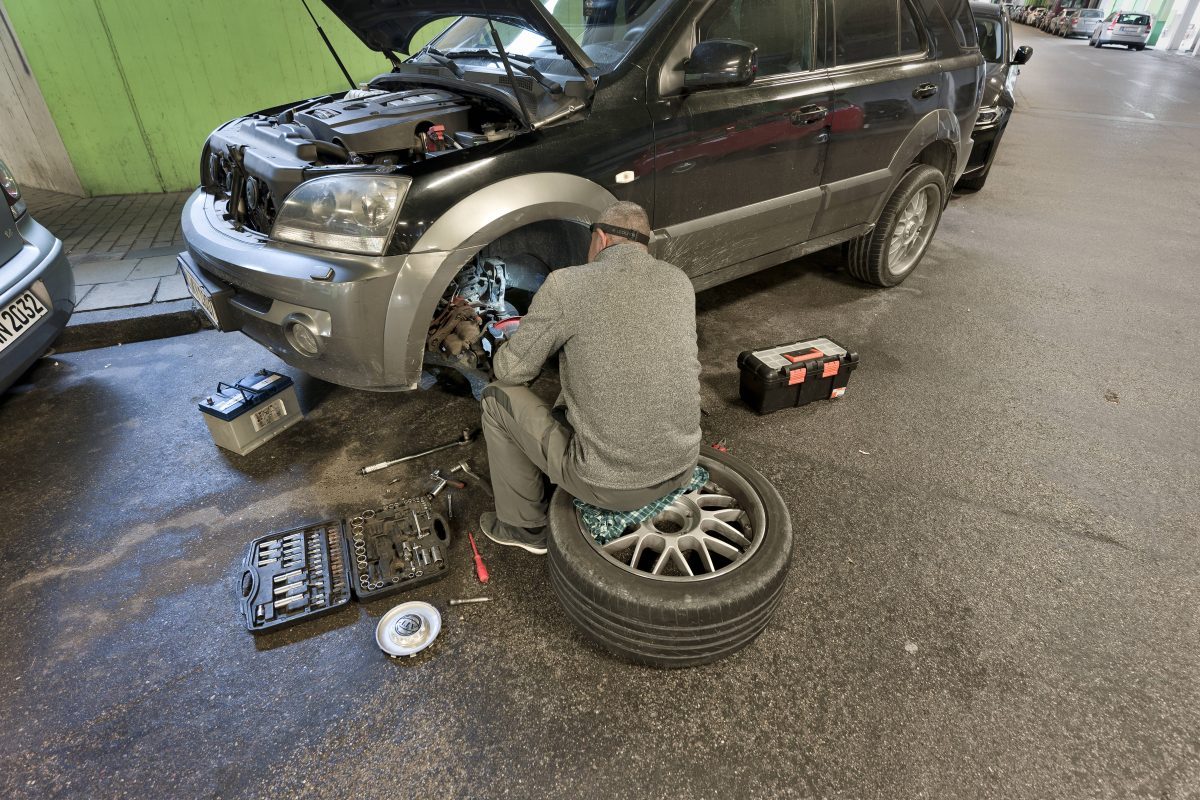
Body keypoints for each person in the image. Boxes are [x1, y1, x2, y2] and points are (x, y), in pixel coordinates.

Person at [478, 201, 702, 554]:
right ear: (644, 243)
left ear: (599, 238)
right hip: (682, 464)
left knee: (496, 397)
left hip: (609, 485)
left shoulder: (566, 285)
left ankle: (524, 528)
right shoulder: (678, 282)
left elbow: (511, 372)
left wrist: (505, 344)